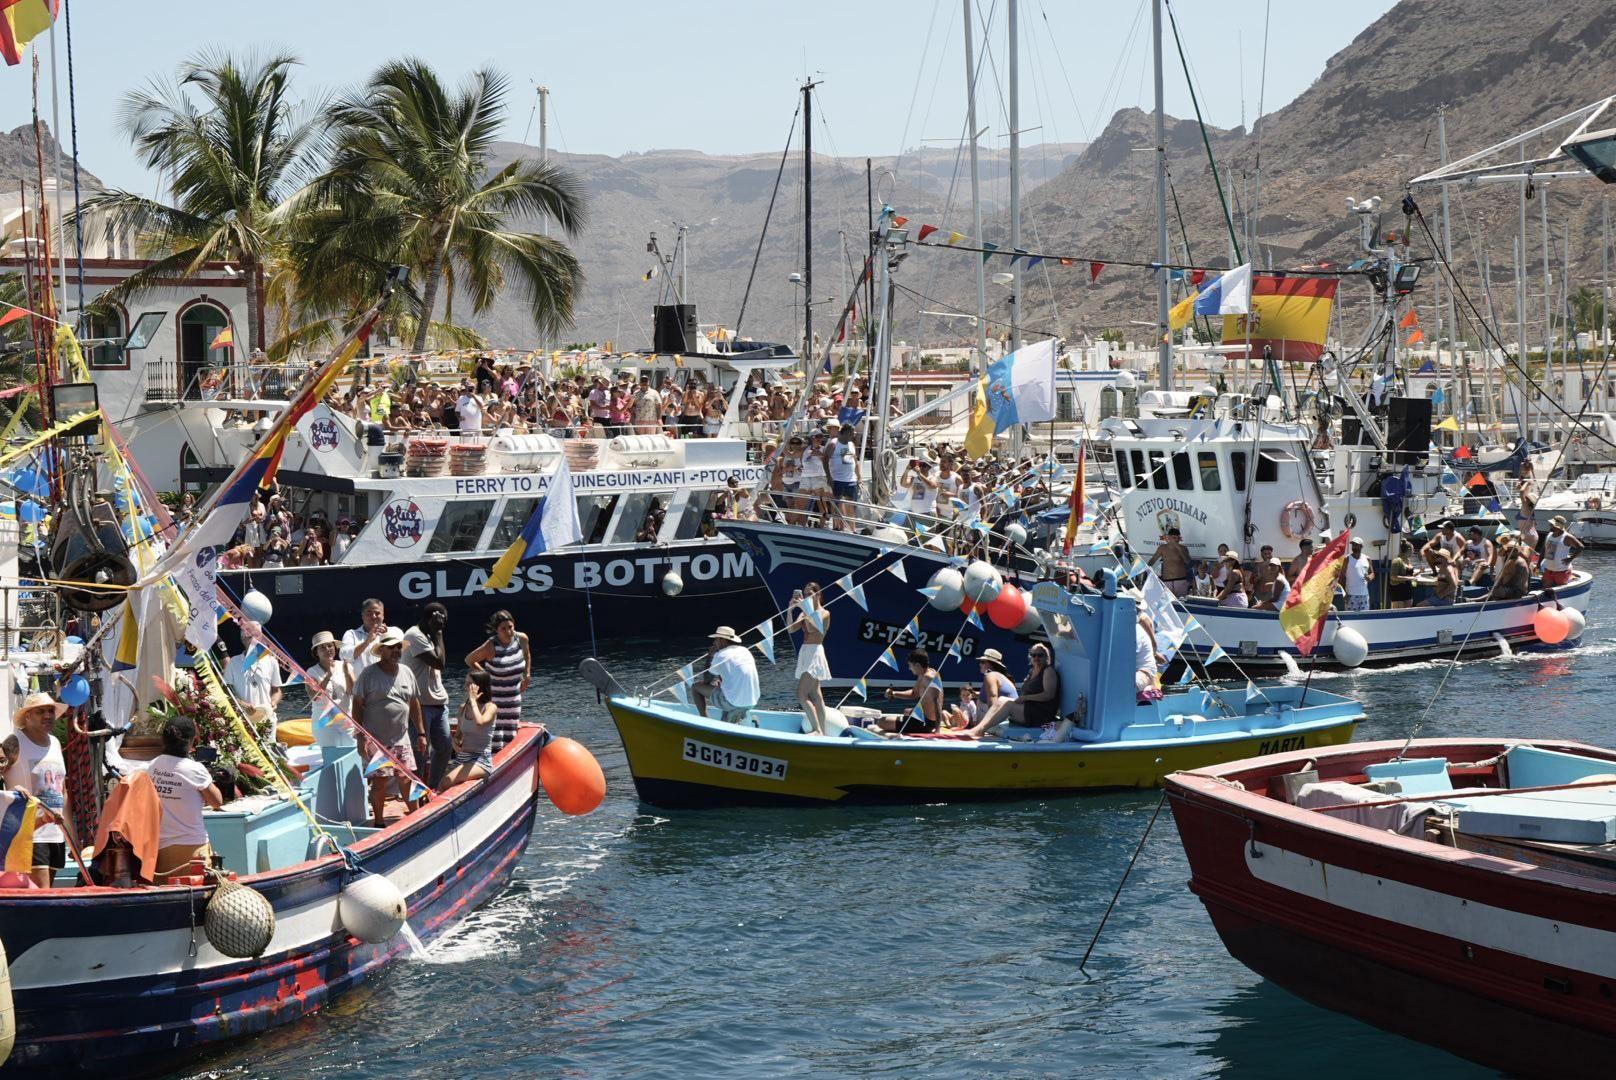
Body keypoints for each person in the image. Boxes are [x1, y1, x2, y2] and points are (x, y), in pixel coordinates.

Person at [351, 628, 426, 827]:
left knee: (406, 778)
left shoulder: (407, 672)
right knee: (380, 783)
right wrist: (360, 737)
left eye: (398, 647)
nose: (396, 651)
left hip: (403, 738)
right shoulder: (368, 675)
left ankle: (416, 820)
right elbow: (357, 705)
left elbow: (414, 703)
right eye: (392, 647)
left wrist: (421, 733)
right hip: (376, 741)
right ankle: (378, 822)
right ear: (381, 650)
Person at [3, 693, 73, 887]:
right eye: (40, 711)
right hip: (29, 832)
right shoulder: (13, 742)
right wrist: (12, 789)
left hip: (56, 832)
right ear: (27, 716)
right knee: (42, 894)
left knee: (48, 894)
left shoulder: (56, 743)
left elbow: (63, 791)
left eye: (51, 711)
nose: (48, 715)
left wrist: (71, 835)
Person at [147, 715, 223, 885]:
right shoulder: (194, 769)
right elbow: (217, 802)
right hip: (192, 852)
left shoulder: (151, 767)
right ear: (190, 743)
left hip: (159, 853)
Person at [466, 610, 531, 753]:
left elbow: (527, 654)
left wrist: (527, 675)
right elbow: (469, 660)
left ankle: (509, 764)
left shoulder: (521, 639)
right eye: (504, 629)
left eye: (511, 627)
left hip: (514, 696)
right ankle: (492, 766)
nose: (509, 631)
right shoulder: (490, 646)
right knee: (495, 735)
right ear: (496, 630)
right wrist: (485, 675)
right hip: (495, 698)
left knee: (510, 733)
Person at [964, 643, 1060, 739]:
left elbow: (1049, 694)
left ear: (1046, 657)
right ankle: (979, 728)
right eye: (1033, 655)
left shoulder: (1048, 671)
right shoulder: (1031, 672)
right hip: (1028, 709)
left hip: (1040, 714)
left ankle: (979, 730)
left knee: (1008, 704)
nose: (1036, 657)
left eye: (1040, 655)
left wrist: (1025, 698)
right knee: (1001, 699)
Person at [405, 603, 452, 787]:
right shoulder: (414, 635)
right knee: (420, 754)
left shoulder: (429, 636)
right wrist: (438, 632)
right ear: (429, 619)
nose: (441, 624)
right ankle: (416, 795)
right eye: (439, 621)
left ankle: (432, 788)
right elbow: (440, 663)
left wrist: (435, 634)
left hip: (438, 702)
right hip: (420, 703)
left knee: (444, 747)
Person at [441, 671, 498, 791]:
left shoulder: (490, 707)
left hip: (481, 759)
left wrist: (473, 701)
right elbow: (458, 735)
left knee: (447, 782)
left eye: (470, 684)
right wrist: (455, 743)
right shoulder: (463, 708)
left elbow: (480, 722)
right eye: (466, 683)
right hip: (463, 757)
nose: (466, 687)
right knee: (441, 784)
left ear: (480, 686)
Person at [788, 584, 833, 734]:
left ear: (818, 595)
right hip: (805, 652)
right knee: (816, 695)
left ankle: (817, 730)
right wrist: (790, 609)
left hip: (815, 652)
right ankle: (824, 732)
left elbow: (814, 628)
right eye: (805, 594)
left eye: (810, 594)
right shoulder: (804, 613)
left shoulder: (824, 613)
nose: (806, 597)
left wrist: (804, 609)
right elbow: (791, 629)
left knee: (801, 695)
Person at [691, 626, 760, 720]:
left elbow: (707, 680)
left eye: (716, 639)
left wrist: (710, 656)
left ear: (722, 640)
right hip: (752, 701)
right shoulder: (745, 650)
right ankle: (728, 720)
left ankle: (704, 719)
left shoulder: (720, 655)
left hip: (733, 703)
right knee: (723, 689)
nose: (714, 642)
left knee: (695, 687)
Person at [223, 630, 284, 736]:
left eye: (257, 636)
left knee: (269, 750)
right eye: (250, 636)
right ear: (243, 639)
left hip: (267, 717)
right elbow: (225, 690)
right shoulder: (234, 662)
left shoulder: (271, 660)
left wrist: (274, 702)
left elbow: (276, 690)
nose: (254, 639)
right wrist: (240, 703)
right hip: (242, 719)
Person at [306, 630, 356, 749]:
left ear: (335, 648)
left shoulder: (346, 665)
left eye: (330, 646)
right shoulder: (311, 672)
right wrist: (328, 676)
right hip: (324, 722)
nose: (327, 649)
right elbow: (314, 697)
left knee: (351, 752)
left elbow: (353, 691)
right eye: (322, 647)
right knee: (331, 755)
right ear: (316, 652)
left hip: (346, 719)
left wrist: (347, 673)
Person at [881, 650, 944, 734]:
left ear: (917, 665)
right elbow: (914, 693)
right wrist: (894, 693)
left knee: (881, 722)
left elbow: (937, 702)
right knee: (907, 711)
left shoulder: (929, 678)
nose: (909, 668)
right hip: (921, 716)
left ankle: (926, 728)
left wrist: (937, 730)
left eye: (910, 665)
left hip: (924, 722)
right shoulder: (924, 674)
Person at [341, 598, 393, 678]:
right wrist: (367, 642)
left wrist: (386, 636)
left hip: (388, 685)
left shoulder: (395, 632)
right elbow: (344, 656)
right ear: (362, 616)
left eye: (377, 613)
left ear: (383, 615)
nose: (373, 616)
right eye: (369, 613)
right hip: (361, 688)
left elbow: (401, 656)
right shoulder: (351, 634)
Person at [828, 423, 861, 530]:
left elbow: (855, 460)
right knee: (837, 505)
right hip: (837, 479)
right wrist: (829, 477)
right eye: (851, 433)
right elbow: (825, 460)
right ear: (845, 433)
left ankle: (853, 529)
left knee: (851, 507)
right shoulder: (833, 444)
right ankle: (837, 527)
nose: (853, 435)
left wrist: (859, 475)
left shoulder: (851, 444)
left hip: (851, 480)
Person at [1540, 515, 1583, 587]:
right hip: (1548, 569)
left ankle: (1571, 577)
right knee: (1547, 590)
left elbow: (1580, 547)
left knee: (1560, 591)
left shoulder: (1567, 537)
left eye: (1552, 525)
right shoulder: (1549, 534)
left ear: (1557, 526)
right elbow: (1544, 549)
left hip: (1561, 571)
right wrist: (1539, 564)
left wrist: (1570, 559)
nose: (1550, 525)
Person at [1149, 528, 1191, 597]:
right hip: (1166, 580)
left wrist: (1180, 549)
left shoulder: (1183, 548)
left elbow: (1188, 562)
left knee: (1181, 603)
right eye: (1174, 538)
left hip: (1180, 579)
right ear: (1169, 537)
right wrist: (1145, 568)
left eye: (1178, 538)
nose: (1176, 540)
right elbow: (1153, 559)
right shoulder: (1162, 548)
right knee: (1167, 603)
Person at [1341, 538, 1375, 611]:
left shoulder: (1367, 558)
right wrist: (1344, 593)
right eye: (1353, 545)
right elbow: (1342, 576)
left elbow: (1372, 573)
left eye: (1356, 545)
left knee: (1364, 618)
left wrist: (1370, 577)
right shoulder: (1347, 559)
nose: (1354, 547)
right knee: (1350, 619)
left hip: (1364, 595)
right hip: (1351, 595)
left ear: (1361, 546)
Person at [1387, 539, 1417, 609]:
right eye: (1413, 549)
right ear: (1409, 550)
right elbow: (1393, 577)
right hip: (1398, 590)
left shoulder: (1408, 560)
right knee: (1398, 614)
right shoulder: (1397, 560)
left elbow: (1410, 575)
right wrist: (1409, 578)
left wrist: (1419, 573)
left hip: (1408, 590)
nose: (1414, 551)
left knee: (1408, 613)